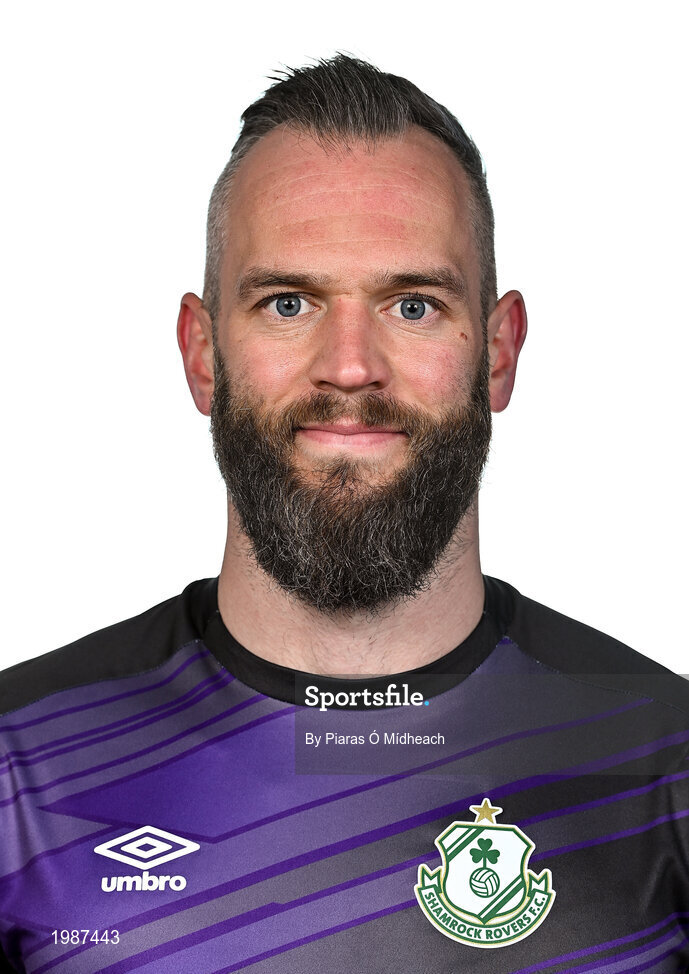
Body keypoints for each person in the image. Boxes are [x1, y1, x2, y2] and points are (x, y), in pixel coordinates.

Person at [0, 54, 687, 974]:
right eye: (289, 303)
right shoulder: (23, 767)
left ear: (497, 352)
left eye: (413, 305)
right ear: (202, 355)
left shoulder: (664, 763)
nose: (351, 366)